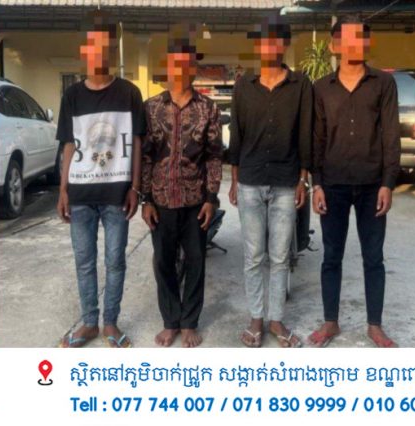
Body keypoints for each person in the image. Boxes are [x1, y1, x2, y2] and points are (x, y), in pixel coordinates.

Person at [309, 16, 401, 348]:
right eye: (347, 39)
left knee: (373, 257)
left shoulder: (383, 84)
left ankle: (374, 325)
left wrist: (388, 183)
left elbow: (391, 135)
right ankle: (330, 322)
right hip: (332, 185)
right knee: (331, 256)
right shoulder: (321, 88)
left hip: (372, 185)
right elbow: (317, 139)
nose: (354, 45)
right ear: (335, 45)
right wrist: (317, 184)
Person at [56, 10, 145, 348]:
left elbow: (136, 141)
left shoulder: (129, 93)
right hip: (80, 195)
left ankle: (110, 322)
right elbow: (68, 144)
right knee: (84, 261)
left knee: (115, 261)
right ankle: (89, 322)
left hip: (116, 194)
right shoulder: (72, 96)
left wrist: (135, 187)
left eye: (105, 46)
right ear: (85, 52)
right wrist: (63, 190)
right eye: (92, 46)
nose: (99, 53)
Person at [228, 16, 312, 348]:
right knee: (253, 256)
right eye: (264, 41)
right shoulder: (243, 87)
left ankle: (276, 319)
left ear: (284, 44)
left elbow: (304, 133)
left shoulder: (300, 85)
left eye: (276, 40)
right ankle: (255, 318)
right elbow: (236, 134)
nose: (270, 47)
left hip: (285, 181)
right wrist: (234, 180)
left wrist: (303, 179)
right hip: (249, 181)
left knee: (279, 257)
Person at [141, 24, 223, 348]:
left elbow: (214, 156)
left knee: (195, 261)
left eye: (188, 63)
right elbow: (146, 156)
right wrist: (146, 199)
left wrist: (211, 198)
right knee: (163, 262)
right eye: (177, 62)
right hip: (161, 200)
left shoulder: (208, 108)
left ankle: (189, 322)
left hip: (195, 201)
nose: (182, 69)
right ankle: (170, 321)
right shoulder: (151, 108)